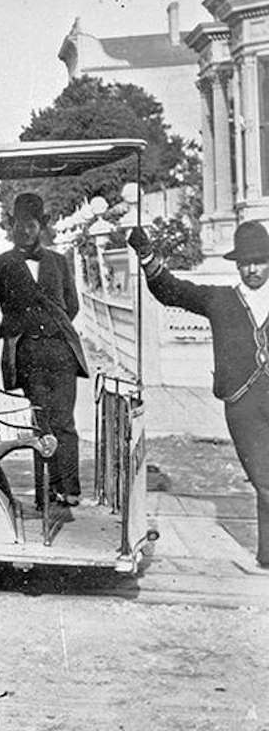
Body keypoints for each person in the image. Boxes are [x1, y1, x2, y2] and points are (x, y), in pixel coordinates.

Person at [128, 221, 269, 571]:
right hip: (243, 404)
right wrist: (148, 256)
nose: (252, 269)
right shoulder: (221, 300)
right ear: (236, 265)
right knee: (265, 479)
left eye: (260, 261)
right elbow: (172, 290)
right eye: (246, 262)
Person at [0, 191, 88, 508]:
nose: (25, 231)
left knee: (65, 421)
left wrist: (53, 327)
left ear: (41, 226)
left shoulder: (58, 261)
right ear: (11, 226)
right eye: (20, 225)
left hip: (62, 353)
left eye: (32, 224)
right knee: (42, 423)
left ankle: (69, 489)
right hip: (27, 355)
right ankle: (45, 493)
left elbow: (72, 305)